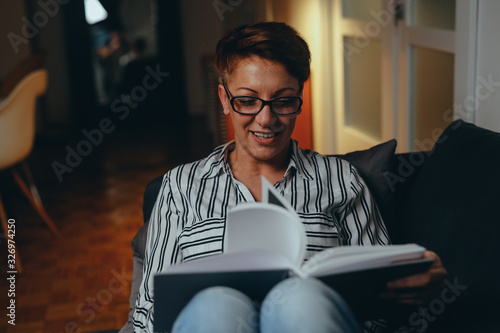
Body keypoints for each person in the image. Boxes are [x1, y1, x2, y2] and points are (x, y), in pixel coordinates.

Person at [133, 22, 447, 333]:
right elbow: (149, 309)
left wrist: (413, 288)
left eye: (283, 101)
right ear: (225, 99)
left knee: (296, 298)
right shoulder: (179, 186)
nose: (266, 119)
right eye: (247, 100)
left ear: (299, 98)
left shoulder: (341, 179)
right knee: (217, 305)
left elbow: (382, 304)